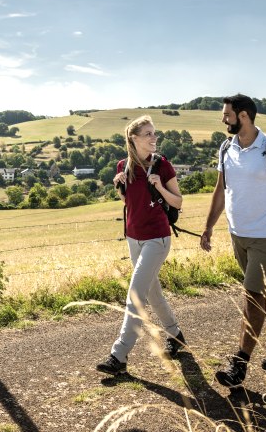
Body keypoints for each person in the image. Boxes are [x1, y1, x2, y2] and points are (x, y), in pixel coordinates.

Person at [200, 93, 266, 388]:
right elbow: (221, 190)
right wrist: (208, 226)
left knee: (253, 296)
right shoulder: (226, 148)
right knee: (264, 290)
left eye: (227, 115)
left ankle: (239, 364)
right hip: (238, 235)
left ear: (243, 115)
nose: (223, 119)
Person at [96, 115, 186, 376]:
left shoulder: (162, 166)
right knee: (152, 292)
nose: (153, 138)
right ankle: (176, 334)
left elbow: (178, 202)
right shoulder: (123, 166)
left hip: (157, 239)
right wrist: (119, 187)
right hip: (133, 238)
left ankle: (119, 355)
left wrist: (159, 184)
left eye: (154, 133)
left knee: (136, 294)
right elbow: (130, 203)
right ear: (133, 138)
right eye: (147, 134)